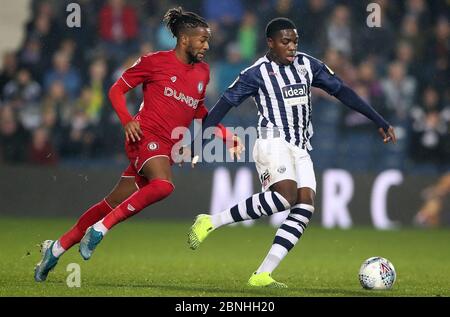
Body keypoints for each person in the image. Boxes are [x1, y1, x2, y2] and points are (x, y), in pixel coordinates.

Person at [34, 7, 242, 282]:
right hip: (143, 137)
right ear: (184, 39)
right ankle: (100, 230)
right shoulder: (154, 61)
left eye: (207, 40)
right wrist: (126, 120)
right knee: (164, 185)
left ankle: (56, 248)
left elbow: (198, 111)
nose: (206, 45)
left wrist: (225, 134)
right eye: (201, 40)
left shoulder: (203, 72)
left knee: (111, 202)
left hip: (165, 147)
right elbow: (116, 89)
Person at [187, 17, 397, 288]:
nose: (292, 47)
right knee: (285, 196)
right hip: (271, 141)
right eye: (285, 41)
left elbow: (343, 91)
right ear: (271, 43)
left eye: (295, 41)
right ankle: (210, 222)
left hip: (300, 146)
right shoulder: (256, 73)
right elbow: (224, 104)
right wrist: (199, 140)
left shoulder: (308, 65)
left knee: (304, 206)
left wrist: (378, 119)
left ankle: (262, 274)